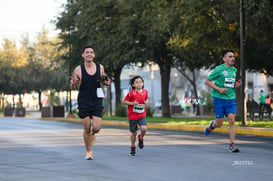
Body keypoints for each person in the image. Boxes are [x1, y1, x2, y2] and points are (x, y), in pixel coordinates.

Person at [70, 45, 110, 160]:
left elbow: (106, 81)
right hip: (84, 100)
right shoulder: (78, 69)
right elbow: (73, 86)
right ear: (83, 55)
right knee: (87, 126)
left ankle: (91, 136)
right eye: (87, 52)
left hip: (97, 99)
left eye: (91, 52)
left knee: (96, 128)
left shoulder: (100, 67)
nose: (89, 54)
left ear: (94, 55)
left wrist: (106, 80)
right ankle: (88, 151)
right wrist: (73, 83)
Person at [204, 49, 240, 152]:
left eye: (233, 56)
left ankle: (232, 145)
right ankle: (212, 125)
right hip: (219, 99)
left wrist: (236, 85)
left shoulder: (234, 70)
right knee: (219, 123)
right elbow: (207, 81)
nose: (232, 58)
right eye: (230, 57)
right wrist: (219, 89)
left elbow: (231, 84)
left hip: (231, 99)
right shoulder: (219, 69)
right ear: (224, 59)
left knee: (232, 120)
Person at [123, 75, 148, 156]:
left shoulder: (145, 92)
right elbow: (124, 101)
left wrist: (146, 102)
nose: (139, 84)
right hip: (132, 115)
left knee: (144, 128)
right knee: (134, 133)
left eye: (140, 82)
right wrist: (132, 103)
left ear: (143, 83)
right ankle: (133, 148)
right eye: (137, 82)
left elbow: (146, 98)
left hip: (141, 114)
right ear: (133, 85)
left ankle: (141, 138)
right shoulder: (131, 94)